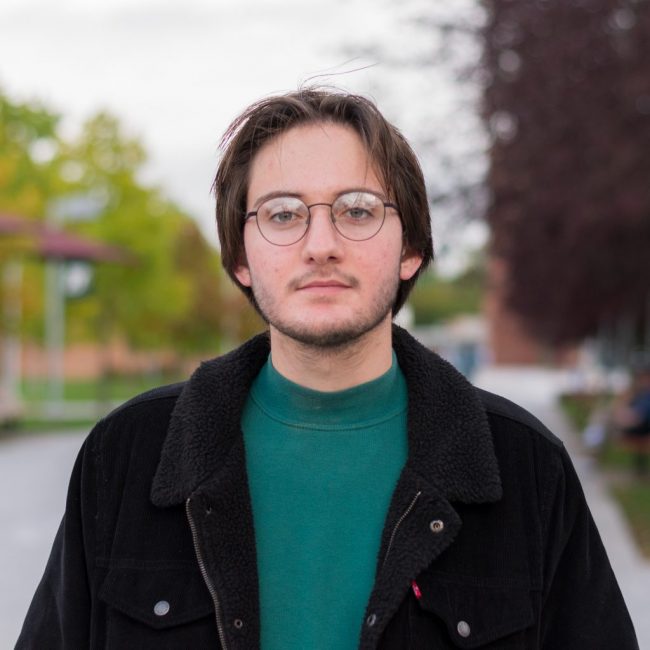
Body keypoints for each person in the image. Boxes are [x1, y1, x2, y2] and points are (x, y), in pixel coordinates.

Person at [17, 88, 638, 649]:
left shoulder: (525, 468)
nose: (321, 245)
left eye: (358, 210)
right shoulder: (126, 457)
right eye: (283, 213)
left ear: (410, 248)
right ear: (241, 257)